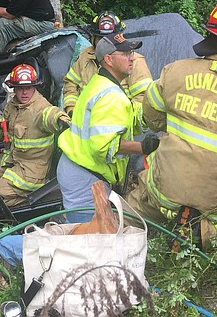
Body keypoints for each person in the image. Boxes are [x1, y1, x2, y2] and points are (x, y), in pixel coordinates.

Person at [125, 0, 217, 249]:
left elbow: (151, 119)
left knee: (136, 201)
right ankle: (210, 232)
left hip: (162, 194)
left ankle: (122, 227)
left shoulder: (174, 71)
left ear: (208, 33)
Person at [56, 32, 160, 223]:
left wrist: (151, 114)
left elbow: (123, 120)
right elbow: (104, 147)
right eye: (125, 53)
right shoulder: (111, 96)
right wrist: (145, 147)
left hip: (78, 169)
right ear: (109, 60)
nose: (132, 58)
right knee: (85, 239)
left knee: (84, 232)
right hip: (85, 177)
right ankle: (10, 248)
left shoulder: (101, 83)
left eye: (132, 53)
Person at [0, 64, 71, 207]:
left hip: (30, 172)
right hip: (12, 159)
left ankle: (24, 202)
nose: (24, 92)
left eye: (28, 87)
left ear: (35, 87)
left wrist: (61, 119)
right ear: (14, 88)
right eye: (20, 88)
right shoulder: (13, 105)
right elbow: (3, 125)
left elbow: (50, 115)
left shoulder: (40, 108)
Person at [63, 11, 153, 120]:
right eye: (101, 39)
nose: (106, 43)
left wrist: (122, 118)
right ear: (93, 38)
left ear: (120, 37)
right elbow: (71, 84)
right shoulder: (85, 56)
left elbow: (144, 98)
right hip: (84, 123)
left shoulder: (134, 61)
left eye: (111, 37)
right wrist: (72, 109)